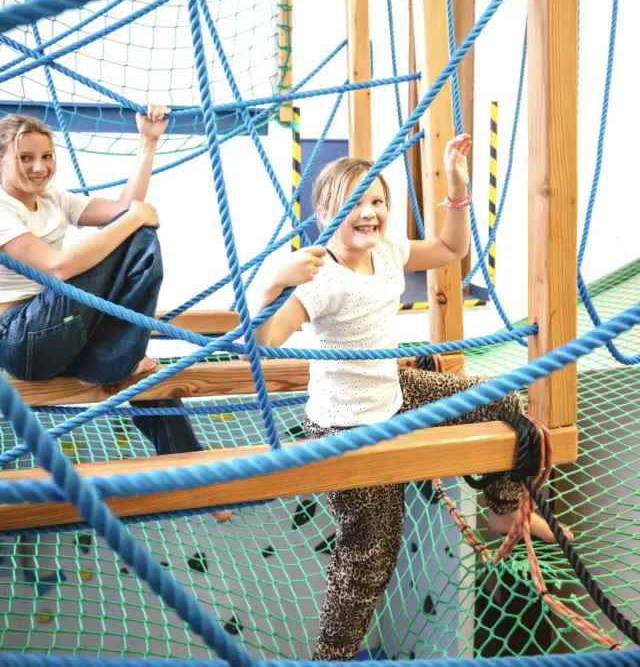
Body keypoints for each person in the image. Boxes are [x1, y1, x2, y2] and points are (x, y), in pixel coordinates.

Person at [252, 134, 571, 660]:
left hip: (394, 393)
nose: (369, 212)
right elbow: (265, 341)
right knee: (369, 557)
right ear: (325, 214)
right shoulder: (320, 281)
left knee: (497, 399)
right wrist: (270, 283)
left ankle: (501, 510)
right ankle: (331, 657)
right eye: (354, 203)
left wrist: (457, 190)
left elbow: (450, 250)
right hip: (345, 428)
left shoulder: (389, 250)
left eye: (377, 201)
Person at [0, 108, 231, 523]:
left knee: (147, 380)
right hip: (23, 338)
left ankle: (200, 484)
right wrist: (136, 217)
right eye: (25, 158)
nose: (39, 167)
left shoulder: (54, 199)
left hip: (64, 332)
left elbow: (126, 208)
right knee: (133, 230)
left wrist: (148, 143)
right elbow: (56, 268)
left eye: (47, 156)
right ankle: (117, 359)